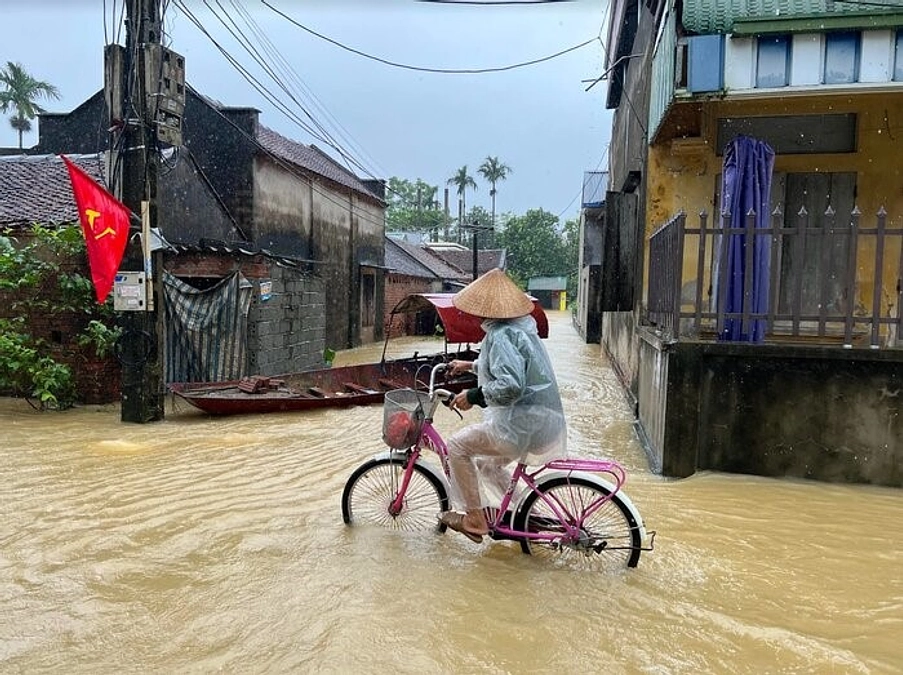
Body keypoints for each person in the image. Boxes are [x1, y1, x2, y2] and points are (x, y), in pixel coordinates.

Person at [438, 268, 566, 543]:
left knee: (457, 446)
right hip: (540, 421)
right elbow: (507, 368)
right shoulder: (516, 330)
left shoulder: (500, 335)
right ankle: (527, 513)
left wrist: (472, 397)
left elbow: (510, 385)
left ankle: (474, 519)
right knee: (487, 465)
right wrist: (470, 365)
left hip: (523, 424)